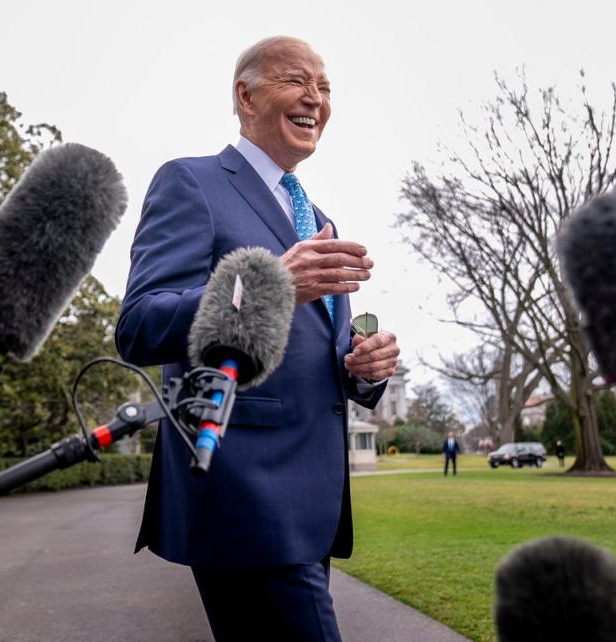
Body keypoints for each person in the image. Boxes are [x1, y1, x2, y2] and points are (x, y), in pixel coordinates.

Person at [115, 36, 401, 641]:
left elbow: (315, 351)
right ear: (245, 96)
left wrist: (362, 369)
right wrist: (269, 285)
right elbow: (140, 325)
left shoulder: (317, 217)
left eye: (325, 89)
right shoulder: (190, 183)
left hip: (313, 500)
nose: (316, 100)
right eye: (298, 81)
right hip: (241, 491)